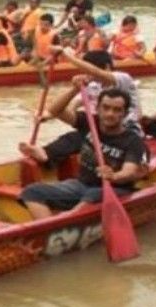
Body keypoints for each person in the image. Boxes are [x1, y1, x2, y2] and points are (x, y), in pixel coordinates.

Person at [17, 87, 146, 219]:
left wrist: (114, 176)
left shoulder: (132, 140)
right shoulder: (90, 122)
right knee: (31, 192)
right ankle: (49, 229)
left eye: (117, 110)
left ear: (125, 114)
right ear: (98, 109)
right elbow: (56, 111)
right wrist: (74, 89)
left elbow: (129, 171)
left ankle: (68, 222)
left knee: (93, 195)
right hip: (81, 185)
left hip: (114, 190)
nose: (110, 114)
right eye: (106, 108)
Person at [52, 48, 142, 132]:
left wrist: (65, 55)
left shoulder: (123, 77)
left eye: (88, 71)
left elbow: (97, 72)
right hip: (101, 128)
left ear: (106, 67)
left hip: (128, 129)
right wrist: (75, 88)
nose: (86, 74)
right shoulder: (93, 85)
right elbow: (72, 106)